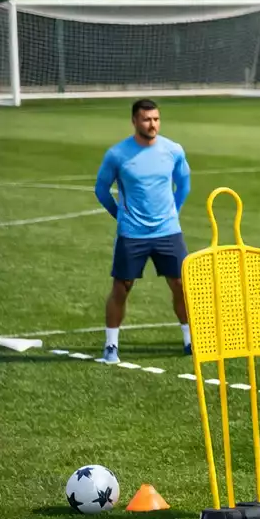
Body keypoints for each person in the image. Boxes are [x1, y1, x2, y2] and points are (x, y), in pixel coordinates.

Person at [94, 98, 192, 363]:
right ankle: (111, 346)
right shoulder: (117, 154)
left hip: (168, 231)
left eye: (156, 119)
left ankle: (189, 340)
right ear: (135, 121)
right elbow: (101, 189)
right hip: (132, 234)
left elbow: (183, 183)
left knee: (181, 285)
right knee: (121, 288)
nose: (153, 124)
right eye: (147, 119)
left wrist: (174, 211)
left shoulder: (173, 150)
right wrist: (120, 216)